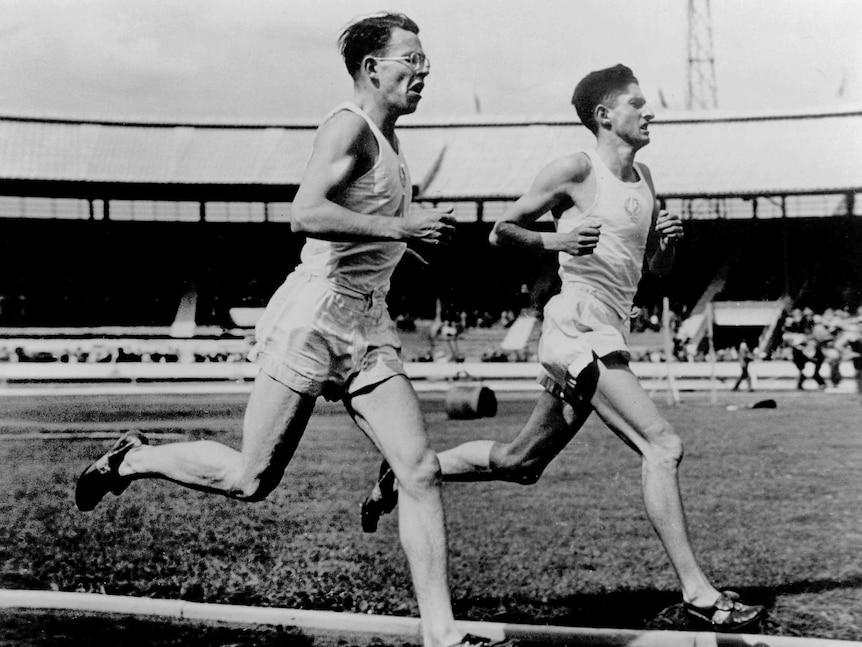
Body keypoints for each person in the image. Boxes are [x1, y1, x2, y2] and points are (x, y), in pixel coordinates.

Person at [75, 13, 505, 647]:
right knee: (252, 479)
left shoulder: (390, 141)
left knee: (417, 470)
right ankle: (131, 460)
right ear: (371, 69)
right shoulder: (349, 128)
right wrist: (401, 228)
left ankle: (441, 634)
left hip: (366, 321)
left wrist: (406, 241)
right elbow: (303, 214)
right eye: (410, 60)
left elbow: (363, 225)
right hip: (314, 317)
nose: (424, 71)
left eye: (424, 60)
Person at [362, 64, 765, 632]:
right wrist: (558, 239)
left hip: (606, 327)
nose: (649, 113)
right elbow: (501, 230)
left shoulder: (646, 177)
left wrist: (667, 247)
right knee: (663, 445)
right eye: (638, 104)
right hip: (577, 327)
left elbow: (653, 272)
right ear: (605, 116)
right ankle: (699, 595)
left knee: (521, 462)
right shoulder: (577, 168)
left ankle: (405, 473)